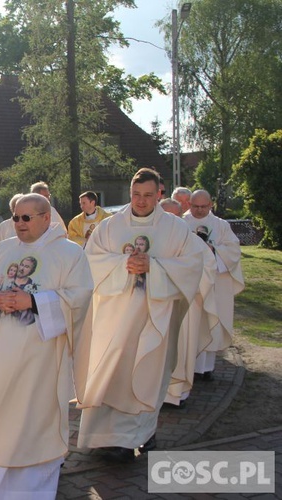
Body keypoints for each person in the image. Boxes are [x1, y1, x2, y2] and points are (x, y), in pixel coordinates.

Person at [0, 193, 93, 499]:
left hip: (43, 359)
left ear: (46, 218)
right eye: (16, 218)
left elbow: (80, 296)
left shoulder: (69, 253)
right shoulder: (5, 249)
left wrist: (34, 301)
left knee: (37, 425)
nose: (19, 224)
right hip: (3, 357)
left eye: (26, 218)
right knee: (8, 425)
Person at [76, 168, 204, 462]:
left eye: (148, 195)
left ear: (159, 193)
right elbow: (90, 262)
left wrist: (154, 267)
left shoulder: (174, 228)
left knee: (146, 376)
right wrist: (124, 264)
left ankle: (137, 436)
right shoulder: (111, 226)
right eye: (136, 195)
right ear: (129, 192)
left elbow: (192, 265)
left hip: (154, 317)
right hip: (115, 319)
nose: (142, 201)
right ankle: (103, 438)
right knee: (111, 376)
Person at [159, 198, 219, 409]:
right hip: (155, 307)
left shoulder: (193, 242)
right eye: (166, 216)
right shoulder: (153, 239)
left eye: (175, 216)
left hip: (185, 306)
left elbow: (208, 268)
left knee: (180, 351)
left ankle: (176, 394)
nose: (171, 221)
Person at [183, 190, 244, 380]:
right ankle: (187, 369)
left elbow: (233, 251)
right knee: (189, 327)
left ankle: (206, 368)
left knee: (210, 324)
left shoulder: (221, 225)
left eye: (203, 206)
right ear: (189, 204)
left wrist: (213, 250)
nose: (199, 210)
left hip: (214, 285)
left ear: (210, 205)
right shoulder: (180, 224)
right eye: (195, 206)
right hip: (189, 286)